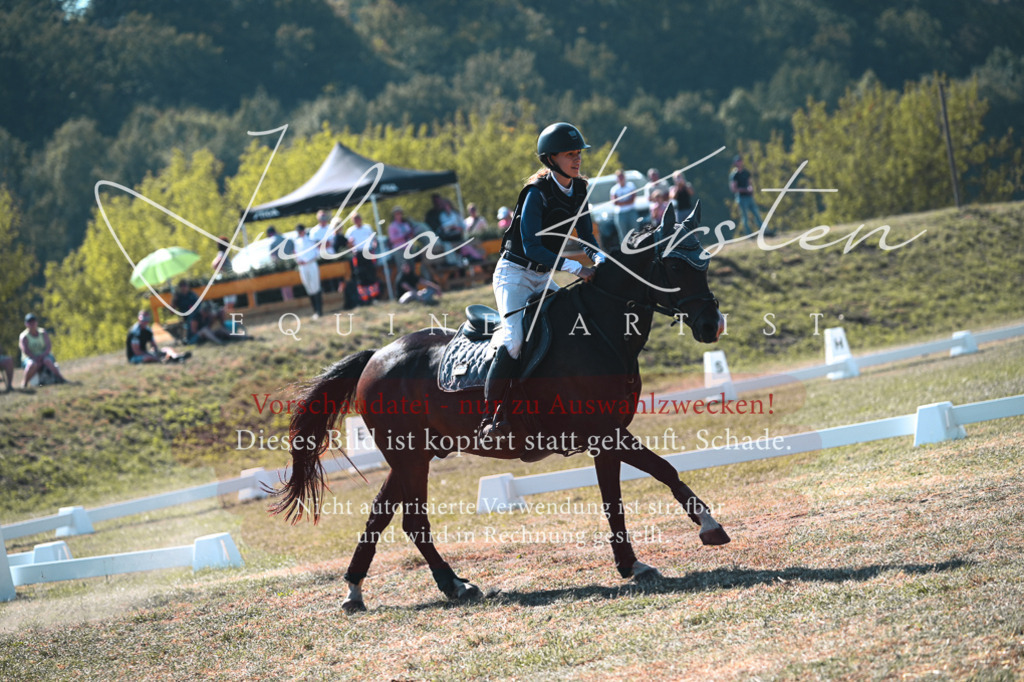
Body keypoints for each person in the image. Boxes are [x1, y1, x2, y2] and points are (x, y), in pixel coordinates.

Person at [480, 121, 603, 440]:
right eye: (570, 154)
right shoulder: (536, 194)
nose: (577, 160)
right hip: (515, 276)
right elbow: (533, 246)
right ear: (551, 159)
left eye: (578, 154)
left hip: (542, 276)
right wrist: (577, 268)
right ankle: (491, 415)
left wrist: (602, 260)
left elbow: (587, 236)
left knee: (570, 323)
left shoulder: (579, 189)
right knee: (515, 340)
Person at [19, 313, 68, 387]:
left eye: (33, 321)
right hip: (30, 357)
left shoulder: (43, 332)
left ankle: (61, 378)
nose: (32, 324)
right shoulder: (24, 336)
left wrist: (42, 356)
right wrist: (35, 358)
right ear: (26, 324)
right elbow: (25, 350)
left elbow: (48, 346)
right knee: (32, 364)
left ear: (36, 322)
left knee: (47, 361)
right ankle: (24, 383)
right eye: (30, 322)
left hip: (44, 355)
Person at [126, 310, 190, 364]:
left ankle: (176, 356)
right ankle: (164, 361)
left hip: (145, 353)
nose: (145, 321)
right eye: (143, 319)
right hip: (134, 357)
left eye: (147, 319)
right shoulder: (135, 332)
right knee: (148, 358)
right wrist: (152, 356)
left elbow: (153, 345)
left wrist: (156, 352)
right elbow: (137, 352)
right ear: (139, 319)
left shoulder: (148, 330)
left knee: (166, 349)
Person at [345, 213, 380, 304]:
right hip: (358, 255)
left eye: (358, 218)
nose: (357, 220)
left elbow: (374, 239)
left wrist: (374, 245)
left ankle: (374, 297)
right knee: (361, 276)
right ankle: (364, 298)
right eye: (355, 219)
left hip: (368, 252)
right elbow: (348, 244)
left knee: (371, 274)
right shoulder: (350, 231)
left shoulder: (367, 228)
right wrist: (351, 247)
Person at [293, 223, 324, 319]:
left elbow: (316, 253)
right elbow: (296, 254)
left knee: (315, 285)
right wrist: (299, 261)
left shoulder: (310, 241)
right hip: (303, 267)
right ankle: (315, 310)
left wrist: (308, 260)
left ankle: (319, 310)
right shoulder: (296, 242)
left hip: (311, 264)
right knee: (308, 286)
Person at [729, 155, 763, 235]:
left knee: (756, 214)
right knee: (745, 217)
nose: (740, 162)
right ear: (735, 163)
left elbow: (749, 183)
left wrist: (750, 188)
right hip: (741, 198)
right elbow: (734, 189)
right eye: (738, 161)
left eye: (740, 160)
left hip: (749, 196)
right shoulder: (734, 175)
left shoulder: (746, 173)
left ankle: (764, 231)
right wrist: (744, 189)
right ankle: (748, 233)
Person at [609, 169, 637, 245]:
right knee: (623, 234)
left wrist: (622, 202)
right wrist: (626, 202)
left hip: (631, 211)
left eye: (622, 177)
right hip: (620, 213)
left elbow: (632, 199)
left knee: (635, 231)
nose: (621, 179)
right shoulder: (614, 189)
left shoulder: (631, 185)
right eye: (619, 177)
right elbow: (615, 202)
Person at [211, 236, 238, 310]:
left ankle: (225, 315)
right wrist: (223, 271)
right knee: (230, 303)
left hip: (227, 281)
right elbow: (215, 264)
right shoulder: (222, 254)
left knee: (229, 304)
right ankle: (225, 316)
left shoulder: (222, 253)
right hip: (228, 281)